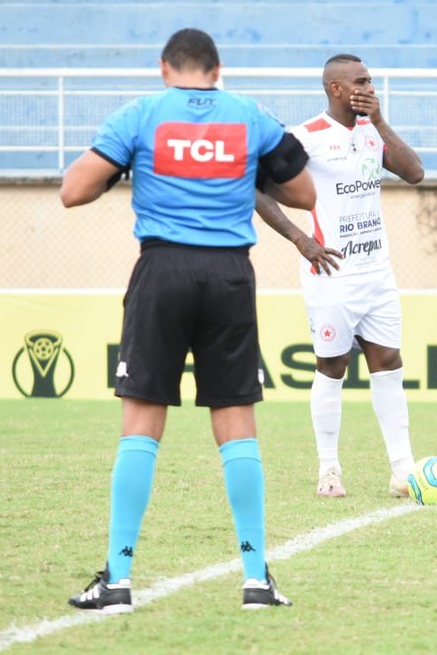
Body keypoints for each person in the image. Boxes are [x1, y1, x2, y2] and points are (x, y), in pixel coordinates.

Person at [58, 27, 316, 612]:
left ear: (164, 68)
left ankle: (118, 582)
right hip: (229, 276)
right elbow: (303, 194)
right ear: (217, 70)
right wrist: (236, 168)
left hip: (162, 271)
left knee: (142, 421)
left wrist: (132, 170)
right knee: (236, 421)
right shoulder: (250, 116)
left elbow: (73, 191)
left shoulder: (140, 115)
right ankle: (256, 580)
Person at [254, 53, 425, 499]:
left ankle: (403, 469)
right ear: (335, 88)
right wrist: (299, 238)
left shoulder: (372, 131)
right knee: (333, 367)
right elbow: (255, 188)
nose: (369, 87)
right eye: (361, 81)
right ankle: (329, 470)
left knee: (389, 364)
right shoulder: (304, 137)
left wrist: (381, 121)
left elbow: (415, 173)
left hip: (377, 273)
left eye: (370, 80)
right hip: (331, 274)